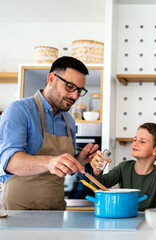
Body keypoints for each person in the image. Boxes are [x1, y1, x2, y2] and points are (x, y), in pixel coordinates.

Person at [0, 56, 99, 210]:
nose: (75, 96)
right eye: (70, 87)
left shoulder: (68, 120)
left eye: (80, 90)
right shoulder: (19, 110)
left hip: (56, 209)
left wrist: (79, 160)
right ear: (52, 79)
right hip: (19, 210)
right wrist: (50, 162)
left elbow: (62, 169)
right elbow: (10, 162)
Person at [90, 122, 156, 210]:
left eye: (142, 141)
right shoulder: (123, 168)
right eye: (135, 139)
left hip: (149, 222)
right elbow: (97, 187)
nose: (134, 143)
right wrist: (96, 172)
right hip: (124, 219)